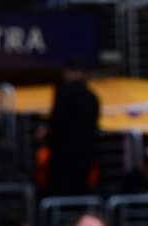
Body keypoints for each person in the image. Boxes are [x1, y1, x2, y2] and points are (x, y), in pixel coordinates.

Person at [46, 58, 100, 197]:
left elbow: (58, 120)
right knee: (80, 195)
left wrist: (46, 133)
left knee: (61, 195)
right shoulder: (92, 97)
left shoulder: (63, 91)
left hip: (63, 157)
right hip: (85, 156)